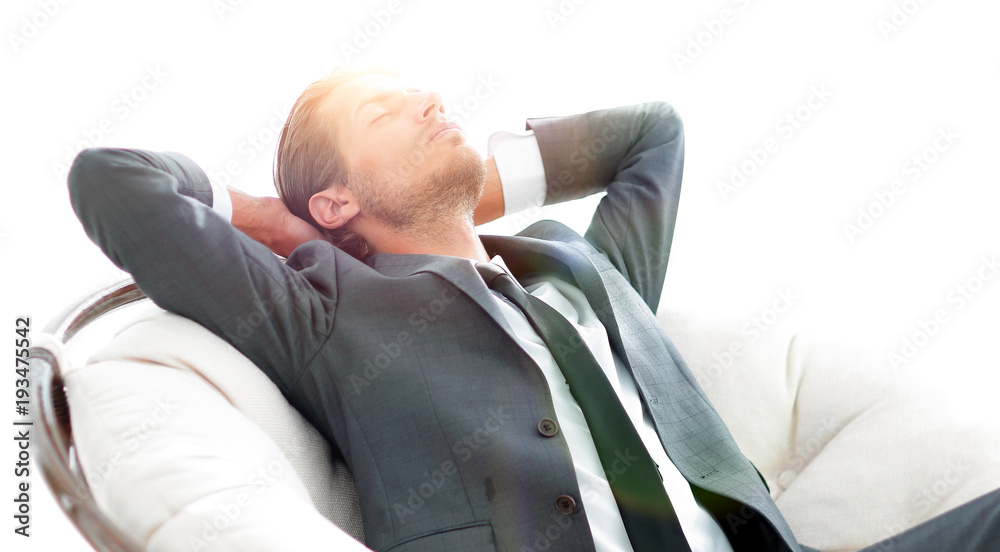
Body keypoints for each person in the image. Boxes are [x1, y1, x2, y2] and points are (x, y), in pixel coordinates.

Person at [68, 67, 999, 552]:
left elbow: (652, 134)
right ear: (337, 202)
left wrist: (451, 194)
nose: (431, 99)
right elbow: (112, 181)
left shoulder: (590, 273)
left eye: (419, 92)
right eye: (386, 111)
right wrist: (286, 220)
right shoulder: (327, 312)